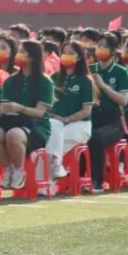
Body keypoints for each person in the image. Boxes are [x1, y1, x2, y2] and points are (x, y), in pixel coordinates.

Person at [0, 40, 54, 191]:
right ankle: (8, 170)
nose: (17, 55)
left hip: (36, 126)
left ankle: (19, 171)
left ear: (32, 57)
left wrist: (19, 108)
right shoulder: (10, 81)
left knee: (14, 134)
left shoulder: (45, 82)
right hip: (10, 122)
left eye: (22, 52)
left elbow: (40, 112)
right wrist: (0, 109)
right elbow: (5, 105)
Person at [86, 32, 128, 193]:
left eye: (105, 46)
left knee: (96, 137)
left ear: (114, 49)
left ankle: (97, 181)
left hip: (113, 122)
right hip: (92, 117)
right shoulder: (90, 69)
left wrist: (103, 86)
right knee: (81, 135)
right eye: (99, 45)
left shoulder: (121, 72)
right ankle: (78, 177)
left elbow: (123, 101)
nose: (100, 49)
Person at [47, 40, 93, 184]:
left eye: (71, 53)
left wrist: (66, 119)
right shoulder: (54, 78)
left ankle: (46, 184)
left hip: (80, 125)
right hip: (56, 124)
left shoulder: (85, 80)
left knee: (51, 143)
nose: (66, 55)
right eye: (64, 53)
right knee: (52, 135)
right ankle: (56, 168)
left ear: (79, 57)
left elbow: (86, 111)